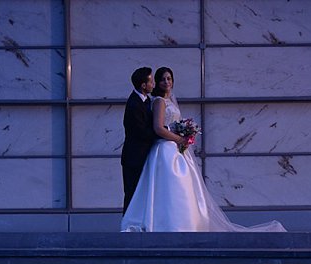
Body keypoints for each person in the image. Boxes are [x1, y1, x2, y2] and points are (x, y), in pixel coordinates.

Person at [121, 66, 286, 232]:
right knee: (165, 188)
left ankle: (187, 223)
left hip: (174, 148)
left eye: (169, 78)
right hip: (163, 149)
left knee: (181, 189)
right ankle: (167, 224)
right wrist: (180, 138)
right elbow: (158, 128)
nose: (166, 82)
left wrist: (185, 132)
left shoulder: (165, 100)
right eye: (161, 79)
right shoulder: (157, 101)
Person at [121, 67, 156, 214]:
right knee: (132, 193)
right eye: (151, 81)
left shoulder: (147, 100)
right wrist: (165, 132)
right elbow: (141, 132)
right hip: (134, 158)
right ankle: (127, 226)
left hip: (143, 155)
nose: (154, 84)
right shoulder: (134, 104)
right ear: (143, 85)